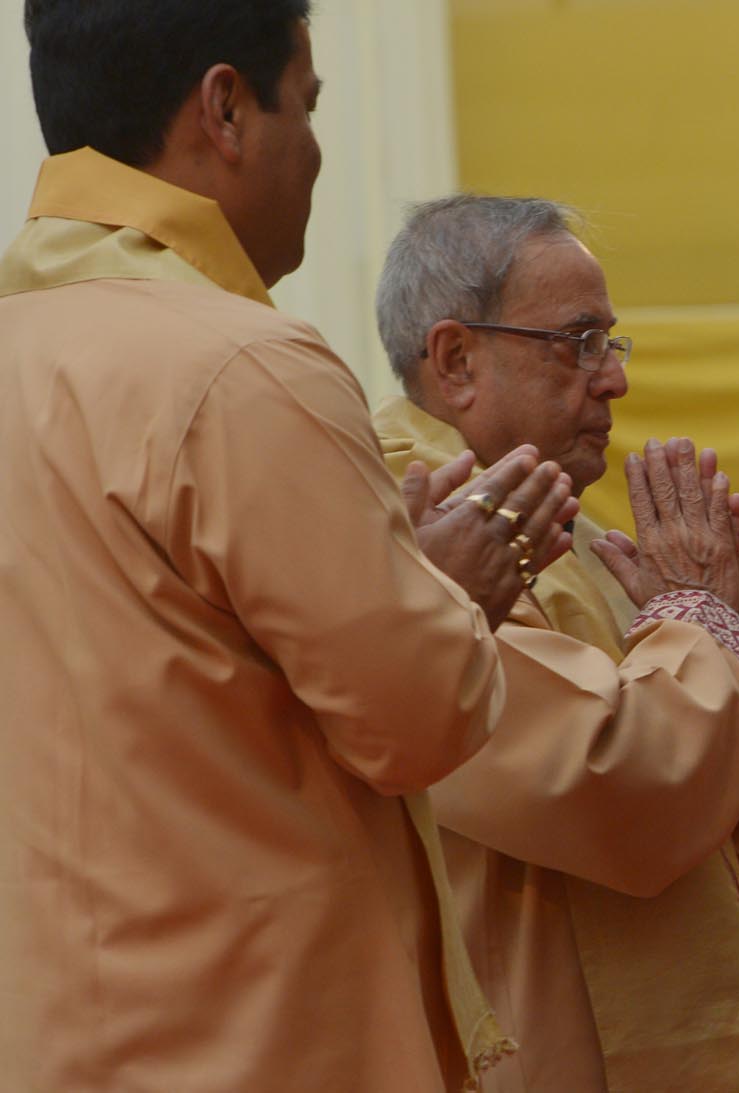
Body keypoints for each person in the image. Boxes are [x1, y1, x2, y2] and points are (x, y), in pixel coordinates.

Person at [0, 4, 577, 1090]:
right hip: (257, 1036)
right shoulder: (241, 366)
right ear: (226, 107)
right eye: (306, 104)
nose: (315, 149)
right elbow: (416, 717)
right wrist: (446, 593)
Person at [372, 194, 739, 1092]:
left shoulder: (556, 520)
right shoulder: (408, 529)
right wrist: (702, 623)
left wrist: (699, 629)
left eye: (611, 343)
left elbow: (726, 816)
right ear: (455, 361)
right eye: (577, 342)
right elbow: (621, 789)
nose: (613, 380)